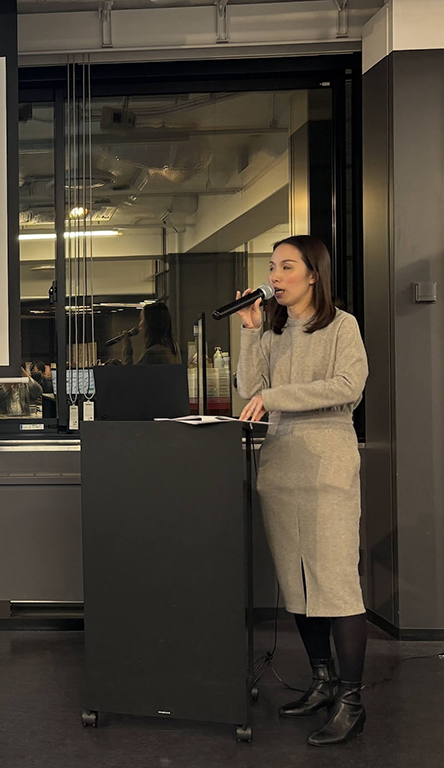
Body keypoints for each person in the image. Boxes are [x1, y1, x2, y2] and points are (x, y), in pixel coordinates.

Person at [236, 235, 369, 747]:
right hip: (281, 466)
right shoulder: (273, 330)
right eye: (272, 266)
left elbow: (348, 386)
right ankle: (322, 681)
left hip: (327, 463)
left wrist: (277, 396)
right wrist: (250, 333)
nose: (275, 276)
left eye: (287, 266)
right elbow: (250, 390)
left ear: (314, 274)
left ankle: (351, 702)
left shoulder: (342, 326)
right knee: (297, 583)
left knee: (334, 584)